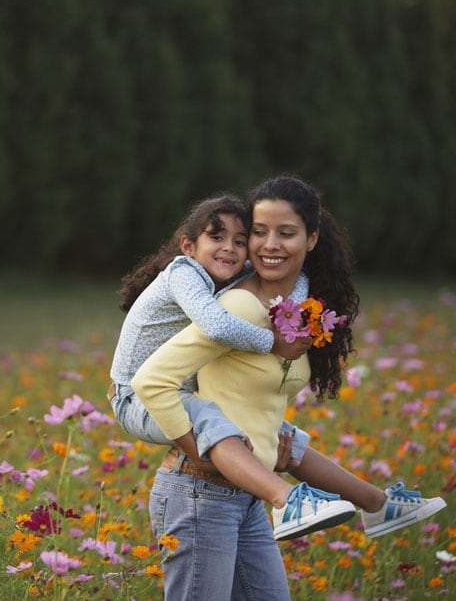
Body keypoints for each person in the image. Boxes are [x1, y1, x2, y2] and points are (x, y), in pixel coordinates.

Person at [130, 176, 446, 600]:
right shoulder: (237, 307)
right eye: (259, 232)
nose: (269, 245)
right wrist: (194, 448)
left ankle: (373, 504)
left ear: (312, 239)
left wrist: (263, 445)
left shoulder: (294, 311)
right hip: (200, 492)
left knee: (289, 441)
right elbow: (151, 381)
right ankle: (309, 500)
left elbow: (250, 394)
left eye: (286, 233)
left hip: (246, 496)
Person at [109, 194, 356, 540]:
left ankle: (377, 504)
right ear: (188, 246)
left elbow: (290, 279)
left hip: (176, 391)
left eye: (240, 242)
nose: (229, 248)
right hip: (134, 396)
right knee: (211, 420)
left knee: (283, 436)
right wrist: (273, 342)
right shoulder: (184, 272)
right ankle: (285, 501)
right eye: (216, 237)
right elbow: (217, 326)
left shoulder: (229, 275)